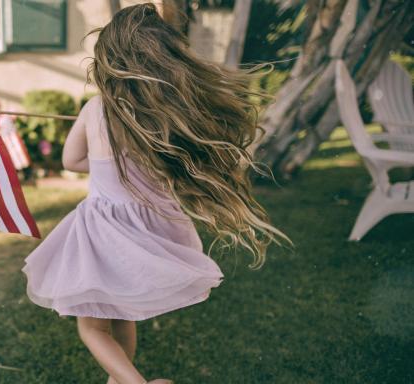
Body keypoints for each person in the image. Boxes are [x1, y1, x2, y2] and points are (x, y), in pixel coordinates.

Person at [20, 3, 293, 384]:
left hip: (105, 231)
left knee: (93, 329)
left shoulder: (95, 109)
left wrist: (100, 164)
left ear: (108, 59)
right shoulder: (164, 115)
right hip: (152, 229)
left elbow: (70, 160)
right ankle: (120, 380)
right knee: (122, 316)